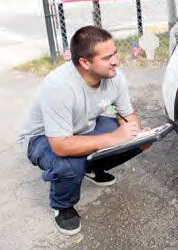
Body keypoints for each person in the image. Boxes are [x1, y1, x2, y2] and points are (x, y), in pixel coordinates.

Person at [19, 26, 144, 236]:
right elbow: (60, 145)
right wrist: (114, 137)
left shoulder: (115, 77)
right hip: (43, 138)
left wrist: (140, 134)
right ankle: (62, 206)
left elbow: (128, 116)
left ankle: (91, 168)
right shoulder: (59, 86)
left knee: (133, 137)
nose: (115, 60)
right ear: (85, 62)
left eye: (114, 53)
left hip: (83, 128)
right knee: (68, 163)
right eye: (107, 57)